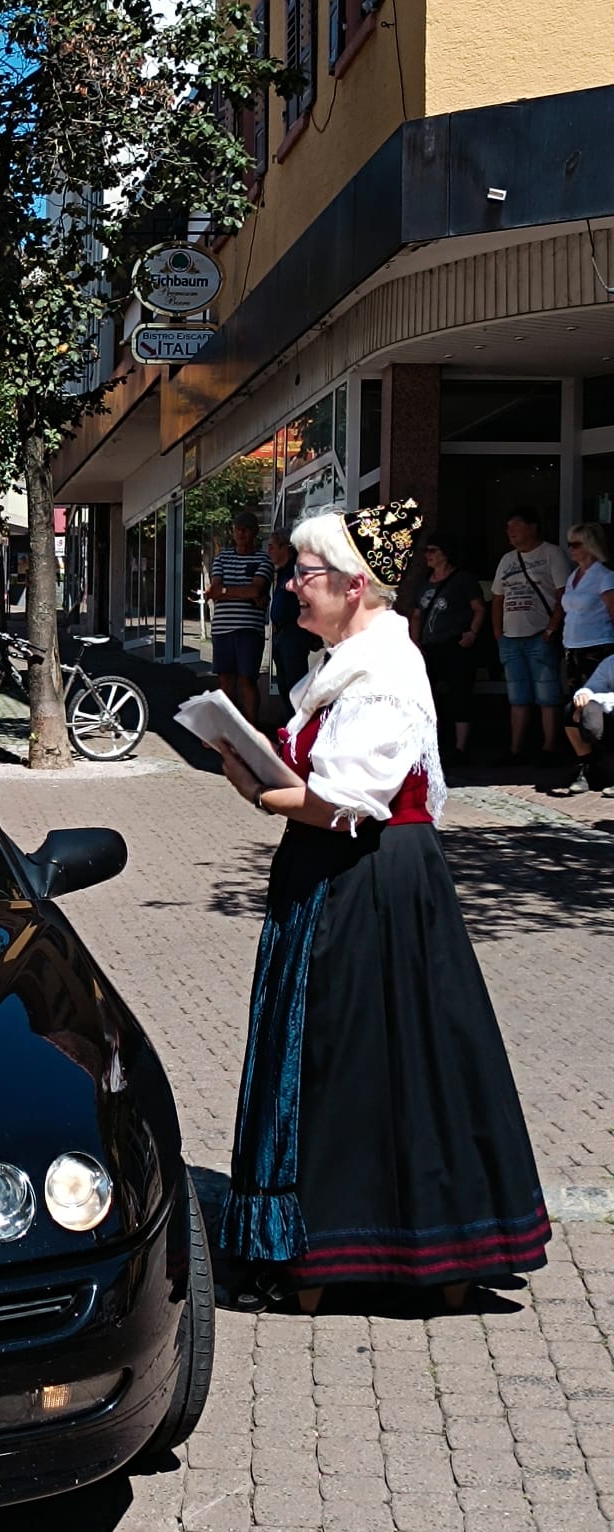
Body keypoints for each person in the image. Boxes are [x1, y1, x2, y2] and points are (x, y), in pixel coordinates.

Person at [215, 497, 549, 1313]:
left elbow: (344, 799)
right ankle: (319, 1240)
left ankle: (353, 1244)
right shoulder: (340, 664)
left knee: (361, 1057)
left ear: (356, 584)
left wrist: (263, 790)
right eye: (295, 572)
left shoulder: (386, 671)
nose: (292, 587)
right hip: (334, 874)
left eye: (307, 574)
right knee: (342, 1054)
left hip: (372, 882)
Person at [491, 506, 570, 765]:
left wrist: (552, 628)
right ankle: (516, 750)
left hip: (540, 634)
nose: (510, 532)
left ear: (532, 526)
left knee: (547, 695)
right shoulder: (507, 559)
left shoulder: (551, 554)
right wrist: (498, 633)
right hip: (510, 636)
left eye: (516, 525)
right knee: (517, 696)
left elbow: (562, 595)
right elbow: (497, 598)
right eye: (508, 527)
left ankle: (549, 748)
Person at [408, 534, 485, 765]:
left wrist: (472, 632)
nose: (427, 556)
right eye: (426, 551)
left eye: (432, 550)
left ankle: (461, 748)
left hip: (455, 644)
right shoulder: (425, 582)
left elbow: (479, 608)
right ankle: (430, 745)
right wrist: (415, 643)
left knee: (459, 694)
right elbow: (416, 615)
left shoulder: (463, 580)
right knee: (427, 697)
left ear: (445, 553)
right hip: (429, 646)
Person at [208, 510, 274, 722]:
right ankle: (230, 727)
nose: (241, 533)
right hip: (222, 629)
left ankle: (251, 729)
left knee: (247, 679)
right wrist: (243, 592)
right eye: (237, 529)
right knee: (225, 680)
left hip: (249, 630)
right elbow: (214, 591)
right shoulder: (222, 558)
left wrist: (227, 591)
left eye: (245, 529)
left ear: (255, 532)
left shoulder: (263, 559)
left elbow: (256, 590)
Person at [267, 529, 319, 716]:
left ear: (285, 548)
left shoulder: (296, 570)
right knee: (283, 683)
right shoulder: (281, 573)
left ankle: (298, 725)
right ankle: (290, 724)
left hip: (294, 633)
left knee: (295, 684)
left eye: (272, 547)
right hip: (280, 633)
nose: (269, 551)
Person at [560, 521, 614, 691]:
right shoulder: (572, 576)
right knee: (576, 697)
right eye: (569, 544)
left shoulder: (605, 576)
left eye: (575, 545)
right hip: (572, 645)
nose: (571, 549)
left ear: (590, 545)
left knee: (594, 697)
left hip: (597, 645)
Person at [553, 651, 614, 797]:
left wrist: (594, 698)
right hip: (609, 711)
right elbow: (592, 686)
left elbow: (597, 695)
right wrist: (582, 697)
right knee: (571, 710)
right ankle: (589, 767)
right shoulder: (610, 662)